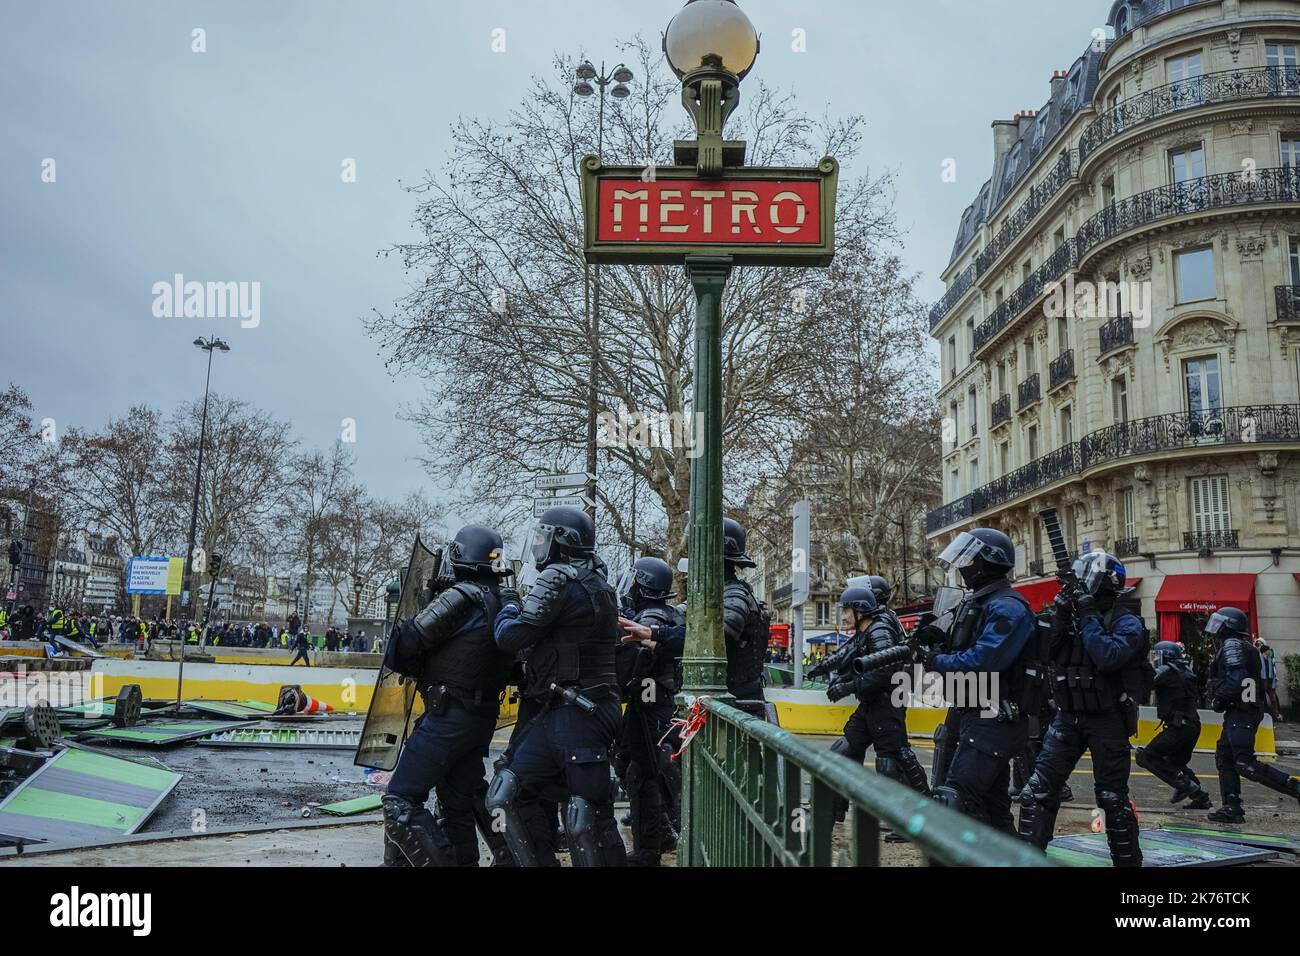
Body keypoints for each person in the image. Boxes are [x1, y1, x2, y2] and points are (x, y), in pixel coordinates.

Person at [486, 506, 626, 867]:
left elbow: (511, 636)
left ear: (563, 542)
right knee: (511, 793)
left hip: (577, 711)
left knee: (587, 813)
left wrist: (508, 601)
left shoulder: (559, 578)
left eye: (543, 536)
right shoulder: (598, 581)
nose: (538, 545)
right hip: (575, 708)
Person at [382, 525, 516, 867]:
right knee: (460, 799)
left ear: (460, 557)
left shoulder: (461, 596)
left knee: (400, 802)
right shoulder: (504, 602)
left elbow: (403, 647)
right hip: (480, 717)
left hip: (448, 716)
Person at [1017, 550, 1149, 867]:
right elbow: (1047, 654)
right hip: (1068, 717)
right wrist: (1061, 615)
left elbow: (1108, 656)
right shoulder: (1077, 619)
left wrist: (1089, 615)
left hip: (1108, 719)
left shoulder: (1127, 622)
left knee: (1111, 798)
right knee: (1036, 793)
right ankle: (1027, 860)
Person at [924, 528, 1033, 835]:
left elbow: (983, 663)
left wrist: (937, 661)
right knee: (992, 809)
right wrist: (932, 638)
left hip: (995, 718)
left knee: (957, 800)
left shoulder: (1008, 607)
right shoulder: (978, 603)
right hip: (973, 715)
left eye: (968, 559)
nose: (962, 566)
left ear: (988, 562)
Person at [825, 585, 930, 812]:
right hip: (872, 703)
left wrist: (848, 686)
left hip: (886, 705)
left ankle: (921, 816)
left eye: (846, 610)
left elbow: (885, 672)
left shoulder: (879, 630)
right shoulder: (868, 632)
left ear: (860, 610)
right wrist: (843, 680)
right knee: (843, 751)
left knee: (893, 761)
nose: (843, 616)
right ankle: (831, 810)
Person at [613, 556, 685, 866]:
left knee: (643, 773)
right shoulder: (661, 613)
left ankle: (650, 848)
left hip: (650, 701)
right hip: (650, 700)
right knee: (634, 766)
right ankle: (658, 837)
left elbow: (637, 661)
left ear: (644, 585)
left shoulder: (652, 617)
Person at [1205, 608, 1300, 823]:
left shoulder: (1232, 645)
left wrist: (1219, 698)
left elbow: (1236, 678)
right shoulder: (1243, 646)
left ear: (1228, 625)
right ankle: (1231, 807)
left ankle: (1295, 788)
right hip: (1241, 711)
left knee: (1244, 763)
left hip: (1243, 712)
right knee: (1226, 757)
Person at [1135, 640, 1211, 809]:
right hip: (1191, 726)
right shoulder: (1184, 670)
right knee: (1174, 763)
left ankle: (1186, 786)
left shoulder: (1168, 670)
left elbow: (1147, 682)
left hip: (1180, 728)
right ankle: (1200, 796)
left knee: (1145, 756)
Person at [721, 518, 769, 714]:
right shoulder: (728, 593)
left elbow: (719, 636)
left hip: (738, 703)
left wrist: (661, 636)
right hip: (735, 701)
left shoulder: (734, 595)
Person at [1259, 639, 1283, 722]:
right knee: (1261, 699)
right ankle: (1261, 715)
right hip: (1262, 680)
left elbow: (1273, 669)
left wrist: (1274, 678)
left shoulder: (1270, 659)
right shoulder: (1259, 658)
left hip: (1270, 681)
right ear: (1265, 651)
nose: (1270, 651)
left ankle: (1276, 715)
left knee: (1273, 699)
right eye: (1268, 650)